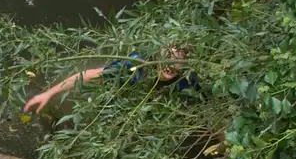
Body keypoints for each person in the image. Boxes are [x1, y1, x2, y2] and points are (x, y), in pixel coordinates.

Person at [23, 44, 198, 114]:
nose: (171, 64)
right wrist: (49, 93)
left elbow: (205, 110)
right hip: (122, 90)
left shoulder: (187, 81)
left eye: (178, 61)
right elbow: (87, 75)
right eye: (167, 56)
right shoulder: (133, 68)